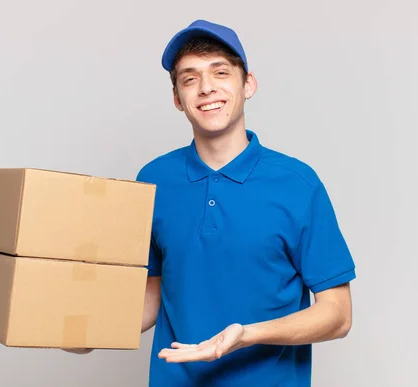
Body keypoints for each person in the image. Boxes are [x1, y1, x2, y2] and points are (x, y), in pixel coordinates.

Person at [66, 19, 357, 387]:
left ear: (247, 84)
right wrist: (84, 334)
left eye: (220, 72)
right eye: (190, 78)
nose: (206, 88)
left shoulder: (298, 184)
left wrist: (246, 334)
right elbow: (152, 293)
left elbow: (338, 315)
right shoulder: (153, 180)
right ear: (177, 98)